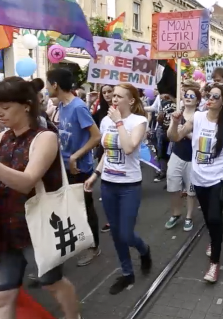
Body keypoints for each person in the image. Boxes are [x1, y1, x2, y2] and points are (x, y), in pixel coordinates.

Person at [0, 77, 82, 319]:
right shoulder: (3, 138)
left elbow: (27, 181)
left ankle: (73, 316)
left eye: (5, 107)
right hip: (6, 226)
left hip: (39, 226)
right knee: (1, 296)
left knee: (52, 283)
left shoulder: (45, 137)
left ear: (26, 105)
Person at [84, 83, 152, 294]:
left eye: (119, 97)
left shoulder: (139, 121)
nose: (113, 100)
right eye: (112, 96)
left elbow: (129, 148)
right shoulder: (105, 121)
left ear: (131, 101)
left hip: (129, 185)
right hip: (108, 184)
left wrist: (119, 122)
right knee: (115, 232)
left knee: (126, 233)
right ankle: (126, 272)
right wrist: (96, 174)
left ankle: (144, 249)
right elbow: (107, 152)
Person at [168, 83, 223, 283]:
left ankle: (214, 263)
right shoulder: (197, 118)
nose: (211, 99)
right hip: (198, 179)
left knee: (215, 218)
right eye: (209, 95)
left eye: (215, 96)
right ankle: (214, 238)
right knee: (208, 217)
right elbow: (175, 136)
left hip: (219, 178)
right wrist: (174, 122)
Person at [46, 69, 102, 267]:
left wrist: (76, 156)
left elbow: (96, 136)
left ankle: (94, 246)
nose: (46, 87)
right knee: (68, 206)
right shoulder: (61, 104)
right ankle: (75, 241)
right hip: (64, 165)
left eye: (47, 83)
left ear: (55, 85)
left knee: (85, 207)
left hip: (80, 167)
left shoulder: (78, 107)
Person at [164, 85, 200, 232]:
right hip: (177, 155)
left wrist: (185, 132)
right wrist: (175, 123)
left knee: (191, 190)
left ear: (198, 101)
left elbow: (201, 140)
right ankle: (176, 213)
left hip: (193, 158)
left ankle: (189, 216)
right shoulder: (177, 114)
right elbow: (171, 136)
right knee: (173, 186)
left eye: (192, 96)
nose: (188, 98)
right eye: (186, 95)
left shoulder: (201, 116)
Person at [92, 85, 114, 233]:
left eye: (109, 92)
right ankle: (111, 220)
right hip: (104, 150)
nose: (107, 95)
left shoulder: (127, 113)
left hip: (121, 153)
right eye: (104, 92)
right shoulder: (100, 113)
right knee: (107, 181)